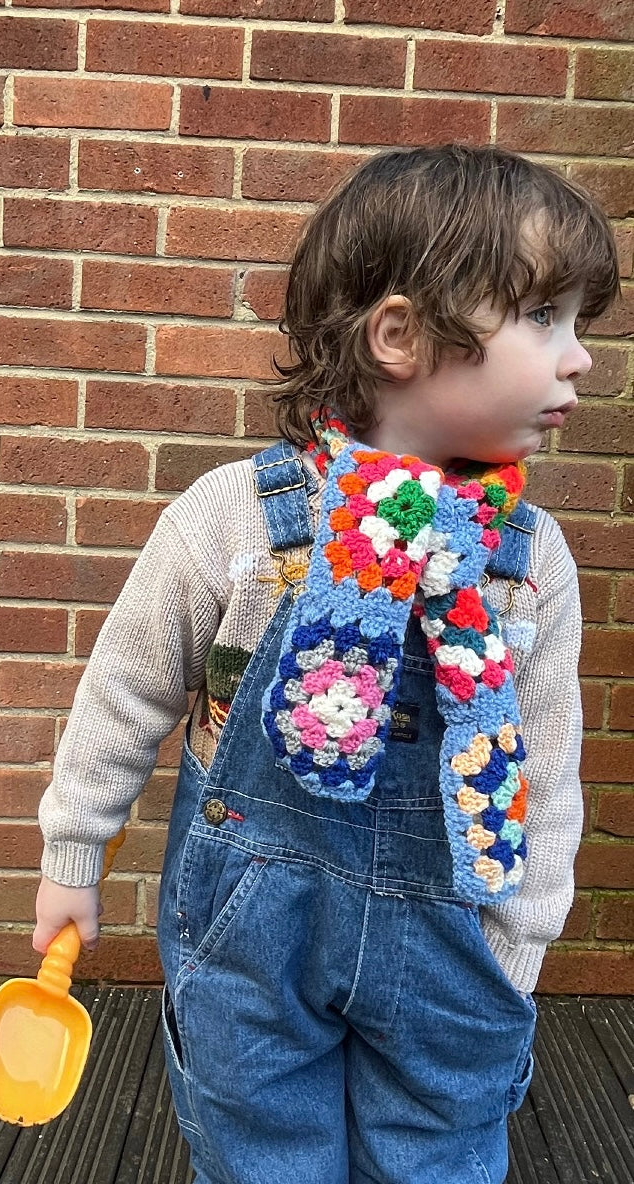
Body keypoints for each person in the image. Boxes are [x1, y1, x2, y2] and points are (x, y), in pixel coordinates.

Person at [31, 145, 620, 1183]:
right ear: (399, 335)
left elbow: (545, 770)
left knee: (438, 1158)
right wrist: (72, 853)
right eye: (542, 317)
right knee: (258, 1150)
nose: (578, 357)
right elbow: (123, 689)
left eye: (579, 323)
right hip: (250, 935)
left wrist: (517, 944)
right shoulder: (238, 522)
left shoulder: (528, 566)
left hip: (452, 946)